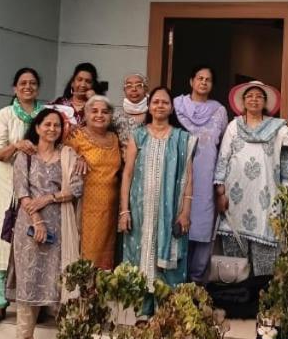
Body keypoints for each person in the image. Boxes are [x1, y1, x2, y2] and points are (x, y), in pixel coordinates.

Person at [214, 82, 288, 294]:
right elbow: (223, 158)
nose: (254, 99)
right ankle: (236, 299)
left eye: (259, 96)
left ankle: (263, 301)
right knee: (235, 261)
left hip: (266, 200)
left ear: (265, 102)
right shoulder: (233, 126)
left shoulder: (276, 128)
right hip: (235, 200)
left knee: (265, 260)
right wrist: (219, 192)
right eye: (250, 96)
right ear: (243, 101)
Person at [6, 107, 83, 339]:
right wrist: (38, 221)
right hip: (28, 228)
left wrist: (49, 198)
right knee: (29, 280)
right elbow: (22, 192)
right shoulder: (25, 156)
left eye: (56, 125)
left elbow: (76, 188)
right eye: (47, 124)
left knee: (59, 279)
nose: (52, 129)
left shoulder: (68, 155)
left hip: (60, 227)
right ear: (37, 128)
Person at [118, 86, 195, 311]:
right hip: (140, 211)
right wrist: (124, 210)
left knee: (169, 261)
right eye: (156, 102)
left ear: (171, 108)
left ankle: (166, 313)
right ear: (149, 107)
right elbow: (127, 174)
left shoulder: (182, 138)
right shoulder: (138, 135)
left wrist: (185, 212)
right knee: (140, 258)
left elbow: (189, 178)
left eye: (164, 102)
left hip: (171, 212)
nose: (160, 106)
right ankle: (143, 311)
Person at [0, 67, 42, 323]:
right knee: (1, 240)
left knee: (33, 239)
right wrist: (17, 145)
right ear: (15, 88)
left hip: (37, 184)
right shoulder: (5, 114)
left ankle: (31, 301)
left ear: (38, 87)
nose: (27, 87)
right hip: (6, 183)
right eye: (23, 83)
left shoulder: (46, 114)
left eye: (32, 83)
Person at [174, 65, 229, 283]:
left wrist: (220, 186)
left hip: (206, 180)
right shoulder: (176, 106)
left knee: (203, 227)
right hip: (178, 177)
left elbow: (223, 147)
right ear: (191, 81)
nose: (203, 82)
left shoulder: (219, 111)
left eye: (208, 79)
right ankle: (177, 282)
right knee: (178, 223)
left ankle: (196, 283)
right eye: (200, 78)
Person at [67, 94, 123, 270]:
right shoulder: (76, 136)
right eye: (94, 111)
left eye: (104, 112)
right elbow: (62, 158)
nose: (99, 115)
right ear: (85, 114)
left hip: (110, 209)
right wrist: (77, 158)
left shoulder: (115, 138)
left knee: (106, 258)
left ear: (111, 116)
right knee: (85, 257)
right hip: (85, 207)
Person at [53, 62, 106, 128]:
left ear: (93, 86)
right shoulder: (60, 103)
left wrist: (94, 100)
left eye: (88, 81)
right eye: (79, 80)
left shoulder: (97, 105)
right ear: (72, 83)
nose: (83, 85)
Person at [113, 72, 149, 143]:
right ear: (124, 90)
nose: (134, 89)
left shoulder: (153, 114)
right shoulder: (115, 116)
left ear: (145, 89)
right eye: (129, 86)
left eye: (139, 85)